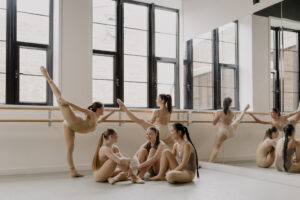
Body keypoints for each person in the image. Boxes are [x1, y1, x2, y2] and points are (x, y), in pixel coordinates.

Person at [40, 66, 115, 177]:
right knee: (60, 99)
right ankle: (47, 76)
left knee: (70, 147)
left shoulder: (96, 118)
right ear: (99, 109)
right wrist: (67, 103)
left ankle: (73, 172)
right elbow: (78, 108)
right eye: (103, 108)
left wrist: (112, 112)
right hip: (73, 121)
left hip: (71, 127)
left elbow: (103, 119)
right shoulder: (91, 114)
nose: (104, 110)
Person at [209, 97, 250, 162]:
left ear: (223, 103)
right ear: (230, 104)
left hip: (222, 131)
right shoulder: (232, 114)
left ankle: (210, 163)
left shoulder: (219, 112)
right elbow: (228, 122)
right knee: (237, 121)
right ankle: (245, 110)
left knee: (215, 148)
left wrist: (214, 115)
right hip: (230, 131)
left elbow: (214, 123)